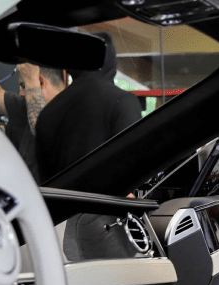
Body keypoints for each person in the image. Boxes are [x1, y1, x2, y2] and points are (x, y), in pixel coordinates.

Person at [36, 32, 141, 182]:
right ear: (110, 59)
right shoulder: (121, 101)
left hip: (57, 203)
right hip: (103, 203)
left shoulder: (48, 112)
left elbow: (44, 177)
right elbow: (133, 167)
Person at [0, 61, 67, 179]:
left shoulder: (69, 113)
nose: (21, 93)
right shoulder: (26, 107)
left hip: (48, 195)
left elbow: (44, 133)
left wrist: (31, 81)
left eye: (23, 86)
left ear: (41, 82)